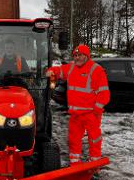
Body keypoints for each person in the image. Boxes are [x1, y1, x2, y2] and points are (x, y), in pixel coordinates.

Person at [47, 44, 110, 173]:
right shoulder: (71, 68)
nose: (77, 58)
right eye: (75, 56)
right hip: (75, 114)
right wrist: (51, 70)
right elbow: (59, 71)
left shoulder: (96, 70)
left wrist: (96, 111)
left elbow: (104, 94)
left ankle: (94, 165)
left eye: (80, 55)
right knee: (73, 140)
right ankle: (75, 165)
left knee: (94, 139)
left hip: (91, 114)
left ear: (86, 56)